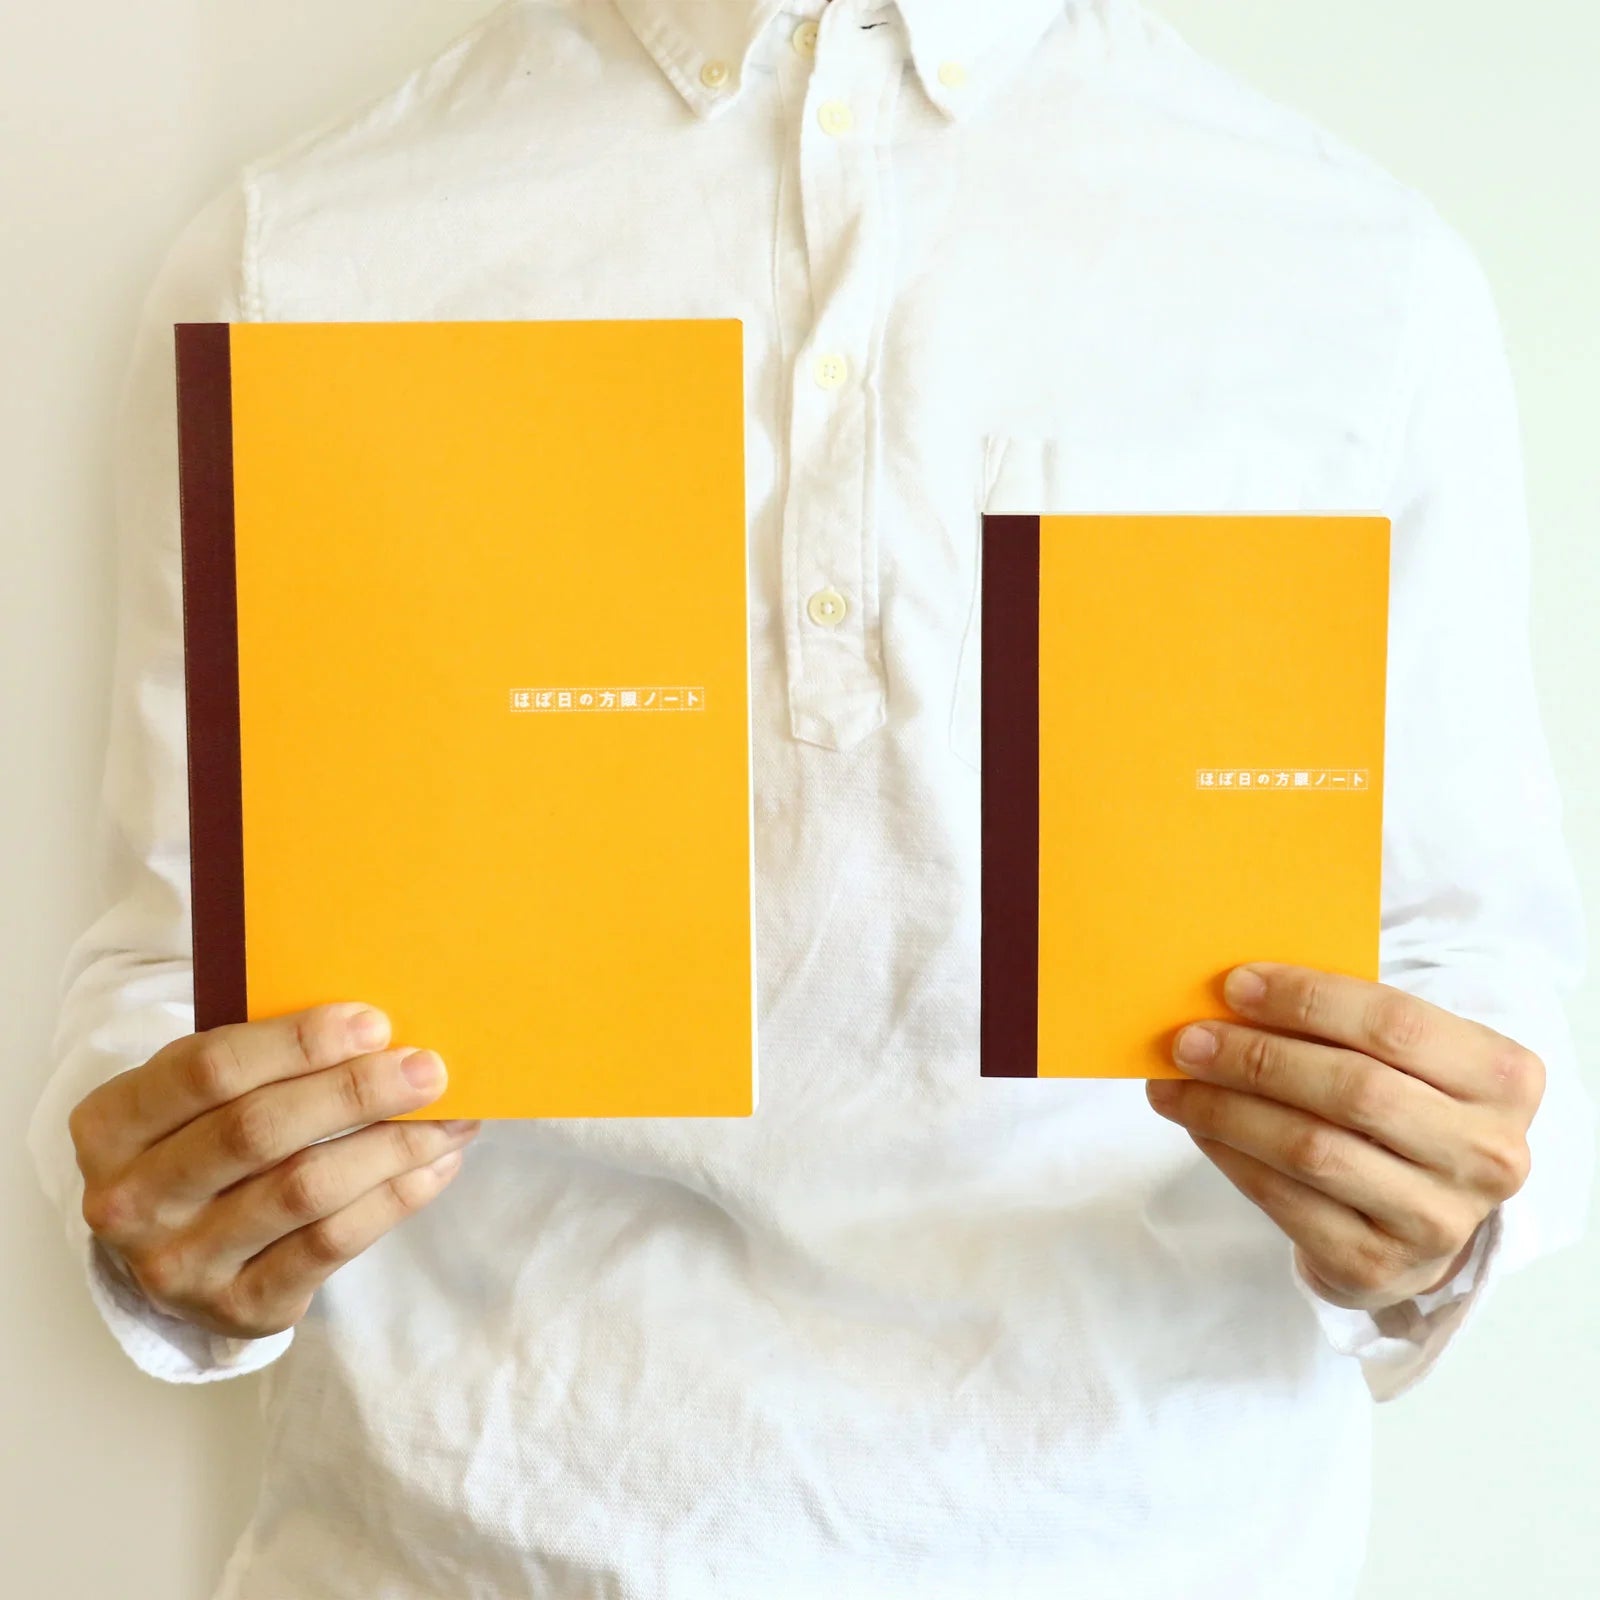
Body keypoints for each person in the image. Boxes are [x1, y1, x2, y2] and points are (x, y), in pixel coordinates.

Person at [28, 1, 1595, 1596]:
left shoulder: (1357, 272)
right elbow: (170, 968)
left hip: (1153, 1548)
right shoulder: (297, 251)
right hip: (445, 1559)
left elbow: (1476, 970)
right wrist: (180, 1240)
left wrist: (1441, 1208)